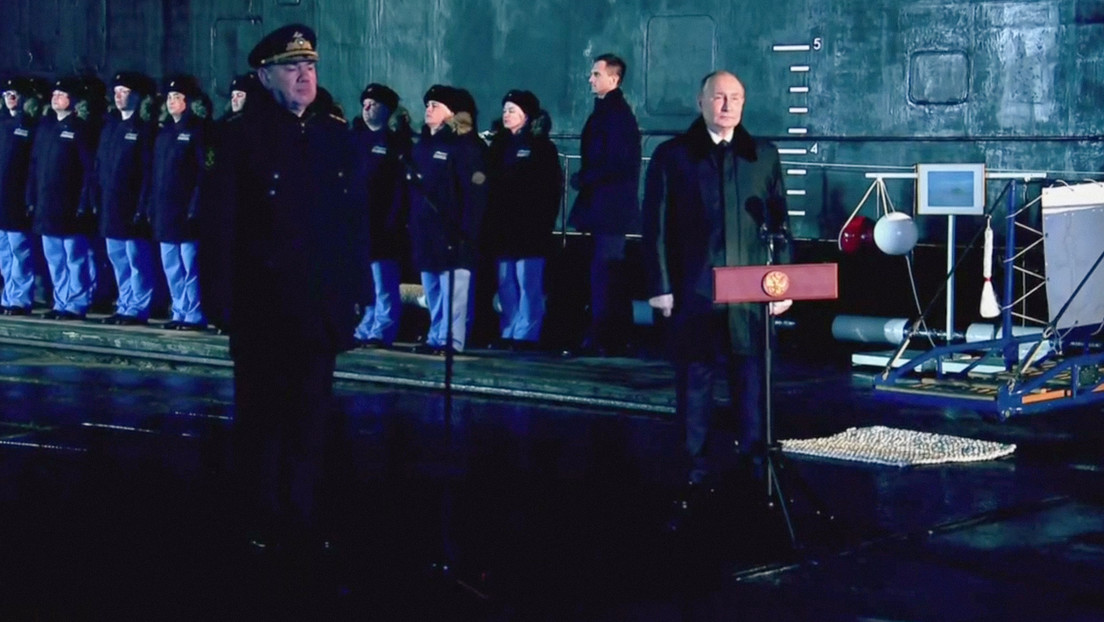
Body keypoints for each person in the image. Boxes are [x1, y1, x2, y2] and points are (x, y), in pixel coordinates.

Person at [200, 24, 366, 551]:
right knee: (262, 422)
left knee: (311, 420)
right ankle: (260, 520)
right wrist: (220, 299)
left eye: (310, 66)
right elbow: (219, 225)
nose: (304, 76)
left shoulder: (332, 134)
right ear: (264, 74)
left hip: (317, 309)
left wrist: (356, 290)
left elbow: (350, 222)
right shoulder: (238, 136)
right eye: (292, 67)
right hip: (262, 307)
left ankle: (302, 518)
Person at [641, 70, 792, 492]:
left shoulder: (762, 156)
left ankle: (756, 466)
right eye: (720, 97)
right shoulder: (673, 156)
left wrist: (783, 283)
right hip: (695, 290)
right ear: (701, 101)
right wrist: (660, 286)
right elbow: (655, 226)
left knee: (752, 382)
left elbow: (780, 222)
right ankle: (693, 469)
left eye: (736, 98)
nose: (728, 105)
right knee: (695, 382)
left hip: (749, 295)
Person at [568, 53, 641, 356]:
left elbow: (616, 162)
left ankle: (606, 336)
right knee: (606, 273)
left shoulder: (615, 116)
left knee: (606, 274)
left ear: (614, 78)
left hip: (608, 209)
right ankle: (610, 335)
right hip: (605, 208)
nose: (590, 79)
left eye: (596, 74)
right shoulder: (611, 113)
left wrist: (584, 178)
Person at [408, 84, 487, 354]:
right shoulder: (423, 146)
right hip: (426, 232)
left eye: (435, 105)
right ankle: (435, 336)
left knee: (453, 291)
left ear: (451, 112)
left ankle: (452, 340)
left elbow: (474, 193)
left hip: (453, 232)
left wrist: (467, 231)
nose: (428, 109)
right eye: (427, 105)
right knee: (433, 290)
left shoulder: (463, 146)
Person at [483, 89, 563, 350]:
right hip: (503, 225)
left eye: (512, 110)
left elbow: (550, 189)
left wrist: (543, 221)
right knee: (506, 281)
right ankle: (509, 328)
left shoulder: (542, 148)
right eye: (505, 110)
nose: (506, 114)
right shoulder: (500, 146)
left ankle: (527, 332)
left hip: (530, 226)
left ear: (526, 116)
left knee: (528, 281)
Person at [81, 71, 157, 325]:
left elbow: (147, 171)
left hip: (131, 205)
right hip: (109, 205)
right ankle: (125, 303)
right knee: (118, 259)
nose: (119, 96)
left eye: (124, 92)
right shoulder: (110, 127)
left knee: (137, 260)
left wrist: (142, 206)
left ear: (136, 96)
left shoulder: (144, 129)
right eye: (116, 92)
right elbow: (98, 166)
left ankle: (139, 306)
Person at [140, 74, 210, 331]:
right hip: (165, 211)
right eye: (169, 97)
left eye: (177, 97)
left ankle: (194, 313)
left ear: (189, 101)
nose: (171, 102)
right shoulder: (165, 132)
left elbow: (204, 173)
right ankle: (179, 310)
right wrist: (150, 204)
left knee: (190, 266)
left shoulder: (198, 131)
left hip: (186, 211)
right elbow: (154, 173)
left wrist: (196, 205)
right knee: (171, 265)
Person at [26, 76, 96, 320]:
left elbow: (88, 170)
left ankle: (77, 302)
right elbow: (34, 166)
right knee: (55, 258)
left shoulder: (79, 129)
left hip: (69, 204)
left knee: (74, 257)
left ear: (73, 100)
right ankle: (61, 300)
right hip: (46, 204)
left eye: (62, 94)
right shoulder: (45, 128)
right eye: (54, 94)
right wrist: (31, 196)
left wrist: (84, 202)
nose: (56, 98)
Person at [351, 82, 412, 348]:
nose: (366, 109)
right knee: (365, 281)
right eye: (364, 104)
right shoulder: (356, 139)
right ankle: (365, 326)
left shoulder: (396, 143)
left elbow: (400, 187)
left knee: (383, 280)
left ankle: (383, 328)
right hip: (359, 222)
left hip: (384, 223)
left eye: (373, 104)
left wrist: (394, 219)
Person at [0, 77, 45, 316]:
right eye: (6, 93)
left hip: (17, 197)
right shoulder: (3, 123)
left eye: (15, 93)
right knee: (4, 252)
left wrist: (29, 197)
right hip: (2, 197)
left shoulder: (31, 126)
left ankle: (20, 298)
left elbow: (32, 165)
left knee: (20, 251)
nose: (10, 97)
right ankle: (8, 296)